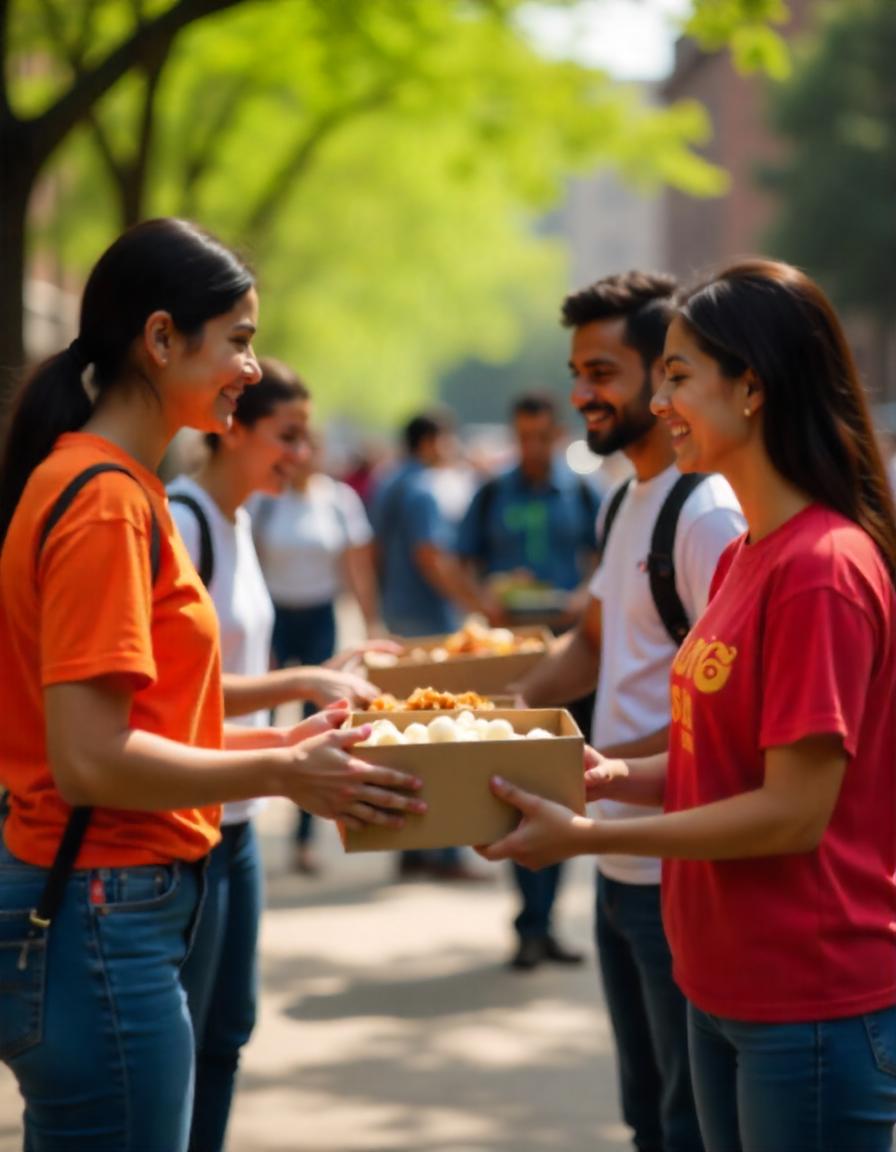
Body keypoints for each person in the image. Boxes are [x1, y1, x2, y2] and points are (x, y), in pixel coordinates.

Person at [0, 218, 425, 1152]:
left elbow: (151, 722)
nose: (250, 365)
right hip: (102, 912)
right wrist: (280, 776)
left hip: (112, 910)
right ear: (159, 339)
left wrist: (291, 747)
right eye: (237, 339)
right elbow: (92, 763)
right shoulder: (108, 502)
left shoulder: (121, 487)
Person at [482, 260, 896, 1152]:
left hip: (805, 999)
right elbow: (726, 762)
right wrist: (603, 776)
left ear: (752, 388)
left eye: (676, 377)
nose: (661, 402)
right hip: (719, 982)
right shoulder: (753, 549)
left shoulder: (820, 567)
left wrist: (588, 836)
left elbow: (790, 813)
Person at [513, 271, 745, 1149]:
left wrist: (606, 772)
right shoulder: (623, 498)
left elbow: (722, 723)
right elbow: (595, 646)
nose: (581, 394)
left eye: (604, 372)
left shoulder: (708, 514)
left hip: (673, 867)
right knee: (648, 1114)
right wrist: (492, 712)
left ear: (667, 374)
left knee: (688, 1121)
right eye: (577, 371)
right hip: (614, 863)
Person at [168, 358, 387, 1151]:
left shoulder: (236, 518)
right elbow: (171, 696)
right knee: (185, 1048)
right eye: (285, 435)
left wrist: (311, 689)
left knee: (227, 1033)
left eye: (305, 435)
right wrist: (299, 685)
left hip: (240, 821)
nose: (301, 454)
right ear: (230, 426)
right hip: (188, 824)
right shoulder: (183, 519)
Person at [457, 391, 600, 970]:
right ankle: (527, 924)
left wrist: (583, 600)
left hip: (573, 656)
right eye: (524, 437)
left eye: (542, 436)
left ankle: (547, 922)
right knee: (513, 791)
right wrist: (483, 598)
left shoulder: (585, 493)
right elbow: (459, 562)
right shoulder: (492, 492)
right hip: (511, 658)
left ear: (559, 434)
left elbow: (603, 566)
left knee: (565, 787)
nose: (533, 447)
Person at [252, 409, 384, 875]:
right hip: (275, 617)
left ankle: (305, 837)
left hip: (320, 616)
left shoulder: (339, 500)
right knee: (262, 716)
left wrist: (371, 623)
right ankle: (242, 815)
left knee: (321, 725)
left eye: (310, 446)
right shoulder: (265, 502)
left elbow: (356, 565)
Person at [370, 410, 498, 883]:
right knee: (442, 738)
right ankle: (444, 853)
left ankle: (412, 848)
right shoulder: (423, 488)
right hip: (428, 620)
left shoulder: (388, 481)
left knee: (407, 736)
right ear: (427, 442)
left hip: (399, 613)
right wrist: (473, 601)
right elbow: (432, 557)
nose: (450, 449)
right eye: (445, 440)